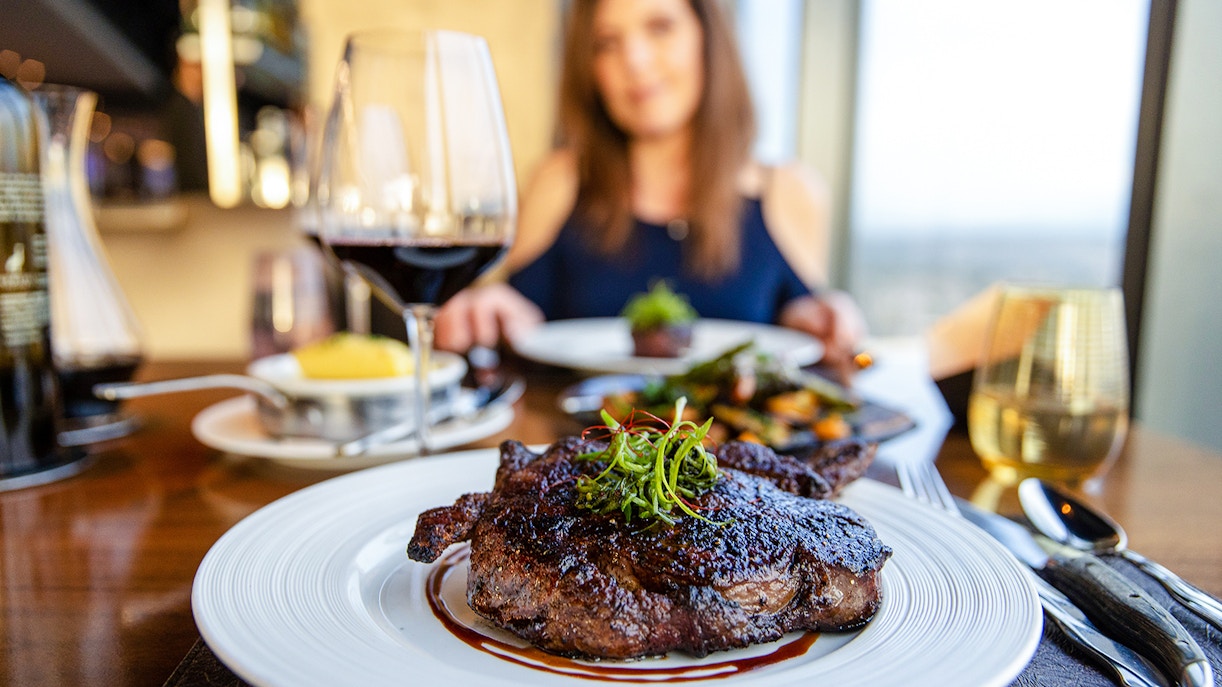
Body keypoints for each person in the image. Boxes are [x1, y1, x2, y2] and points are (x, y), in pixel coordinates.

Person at [435, 0, 866, 370]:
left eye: (660, 28)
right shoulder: (559, 181)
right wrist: (490, 309)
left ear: (708, 38)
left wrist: (818, 319)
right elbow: (520, 318)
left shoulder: (790, 192)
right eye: (607, 43)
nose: (635, 61)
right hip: (582, 438)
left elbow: (801, 339)